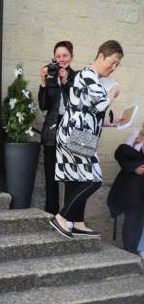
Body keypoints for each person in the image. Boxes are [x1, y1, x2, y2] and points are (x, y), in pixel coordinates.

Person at [50, 40, 124, 239]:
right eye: (112, 62)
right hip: (76, 136)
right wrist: (113, 92)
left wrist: (109, 123)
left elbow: (89, 110)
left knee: (78, 179)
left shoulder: (89, 76)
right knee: (93, 180)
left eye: (118, 64)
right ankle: (62, 217)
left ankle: (78, 223)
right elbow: (100, 104)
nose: (114, 67)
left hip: (76, 134)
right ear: (100, 56)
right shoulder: (89, 74)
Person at [38, 40, 76, 215]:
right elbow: (44, 105)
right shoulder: (51, 75)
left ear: (71, 57)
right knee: (51, 178)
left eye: (65, 55)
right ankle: (51, 215)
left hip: (71, 133)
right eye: (58, 56)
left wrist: (66, 82)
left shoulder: (79, 77)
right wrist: (43, 81)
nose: (61, 59)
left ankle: (68, 216)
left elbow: (77, 104)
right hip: (52, 132)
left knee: (71, 178)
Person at [107, 124, 144, 253]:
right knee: (131, 217)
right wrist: (135, 167)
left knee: (140, 220)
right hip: (132, 187)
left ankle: (134, 251)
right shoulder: (136, 137)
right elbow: (121, 155)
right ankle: (129, 251)